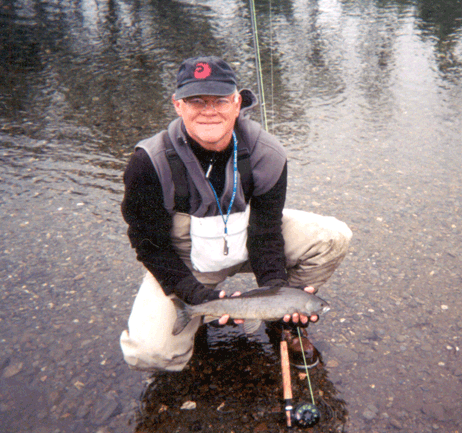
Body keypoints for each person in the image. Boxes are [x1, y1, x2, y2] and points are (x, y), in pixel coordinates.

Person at [120, 56, 352, 372]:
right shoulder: (148, 163)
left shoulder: (267, 154)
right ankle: (194, 314)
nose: (209, 110)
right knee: (148, 353)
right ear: (177, 105)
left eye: (220, 100)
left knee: (333, 238)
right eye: (196, 101)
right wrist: (197, 295)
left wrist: (276, 292)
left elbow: (267, 232)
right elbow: (150, 245)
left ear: (237, 101)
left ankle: (282, 322)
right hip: (188, 262)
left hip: (247, 240)